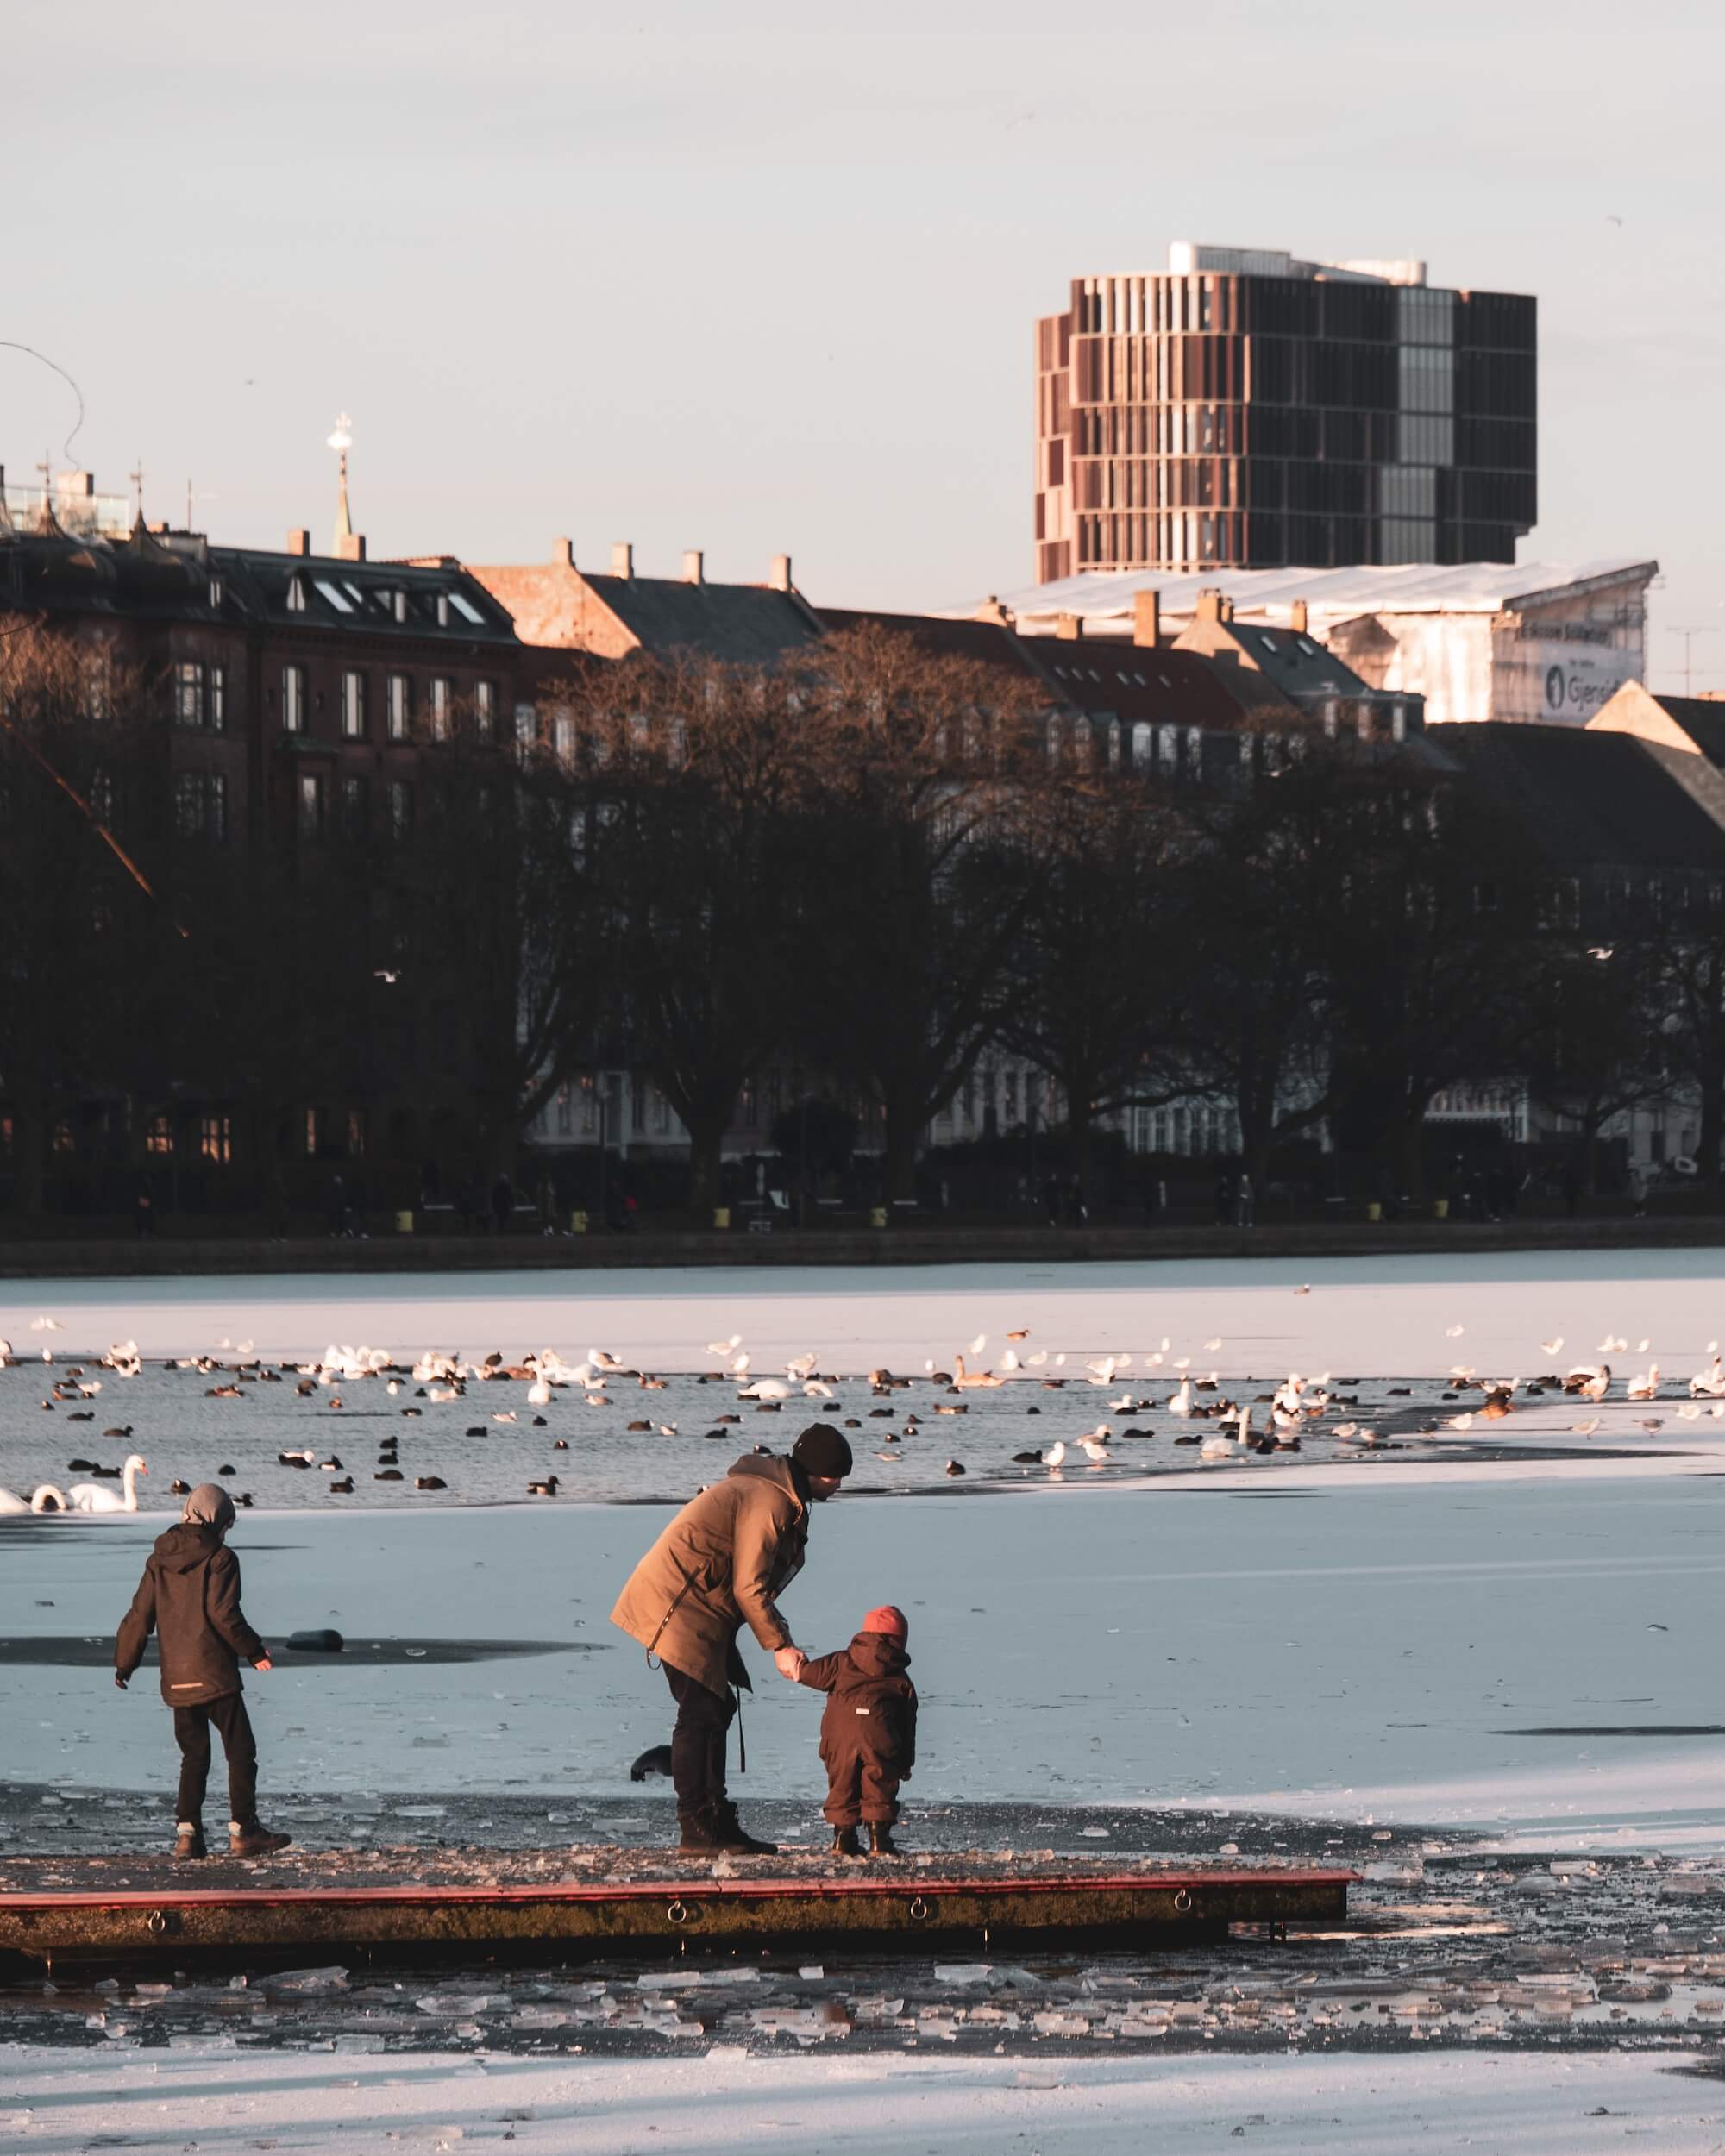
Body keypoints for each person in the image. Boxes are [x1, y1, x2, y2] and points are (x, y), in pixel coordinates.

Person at [611, 1423, 854, 1855]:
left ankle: (716, 1821)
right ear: (819, 1473)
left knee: (716, 1705)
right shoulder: (771, 1501)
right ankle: (698, 1827)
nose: (839, 1486)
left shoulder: (779, 1495)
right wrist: (780, 1645)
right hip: (675, 1603)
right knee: (701, 1711)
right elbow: (748, 1586)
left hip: (694, 1604)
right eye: (837, 1477)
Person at [113, 1484, 291, 1862]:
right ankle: (244, 1830)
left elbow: (139, 1616)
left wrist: (124, 1663)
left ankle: (187, 1834)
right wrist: (254, 1650)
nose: (227, 1533)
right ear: (216, 1521)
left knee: (194, 1756)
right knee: (241, 1750)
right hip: (214, 1675)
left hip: (176, 1677)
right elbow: (223, 1614)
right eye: (228, 1524)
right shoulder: (221, 1559)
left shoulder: (159, 1558)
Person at [797, 1603, 918, 1858]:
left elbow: (808, 1674)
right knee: (879, 1782)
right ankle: (879, 1841)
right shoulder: (901, 1679)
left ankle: (843, 1840)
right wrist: (905, 1762)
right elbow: (908, 1724)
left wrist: (797, 1663)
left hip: (839, 1735)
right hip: (879, 1735)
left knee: (842, 1782)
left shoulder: (840, 1662)